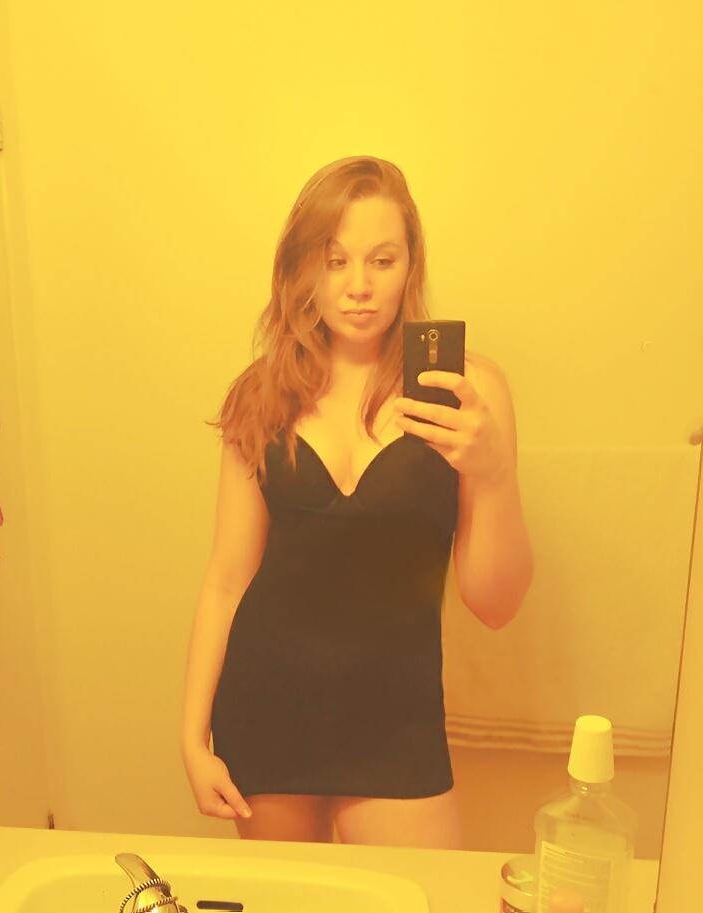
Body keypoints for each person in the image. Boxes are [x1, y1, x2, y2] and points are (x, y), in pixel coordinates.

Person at [181, 156, 534, 849]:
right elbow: (227, 579)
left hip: (398, 721)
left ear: (411, 265)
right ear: (304, 268)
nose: (359, 286)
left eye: (381, 260)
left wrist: (493, 474)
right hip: (267, 710)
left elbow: (496, 604)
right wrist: (192, 737)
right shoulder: (262, 393)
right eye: (335, 260)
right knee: (289, 899)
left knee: (421, 896)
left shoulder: (468, 390)